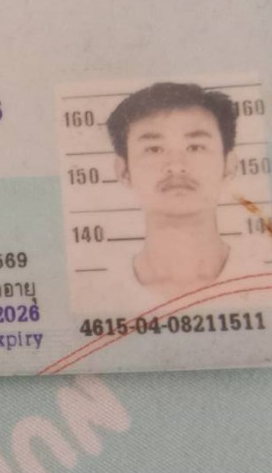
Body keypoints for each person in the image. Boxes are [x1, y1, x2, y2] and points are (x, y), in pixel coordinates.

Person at [105, 82, 246, 306]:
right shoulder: (102, 294)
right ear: (124, 171)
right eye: (154, 149)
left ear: (229, 166)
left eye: (195, 147)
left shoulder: (265, 282)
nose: (176, 166)